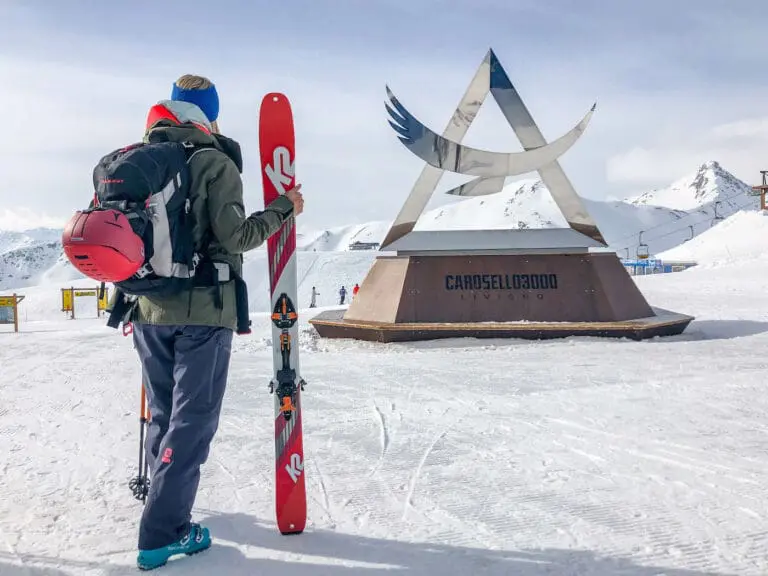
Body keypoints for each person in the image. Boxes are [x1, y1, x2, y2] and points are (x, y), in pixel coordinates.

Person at [130, 74, 304, 571]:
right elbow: (237, 236)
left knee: (165, 415)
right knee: (193, 421)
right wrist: (282, 210)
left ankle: (162, 505)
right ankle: (163, 533)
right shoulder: (214, 162)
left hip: (147, 312)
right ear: (211, 115)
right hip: (204, 312)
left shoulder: (142, 161)